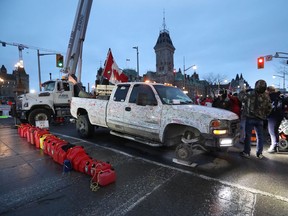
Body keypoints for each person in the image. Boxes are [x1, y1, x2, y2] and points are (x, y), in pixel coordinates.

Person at [239, 79, 272, 159]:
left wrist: (244, 90)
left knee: (248, 136)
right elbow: (269, 108)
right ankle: (259, 153)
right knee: (260, 136)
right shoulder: (266, 96)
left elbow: (241, 98)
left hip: (250, 117)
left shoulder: (250, 94)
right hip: (260, 119)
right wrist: (264, 115)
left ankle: (247, 152)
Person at [266, 86, 288, 153]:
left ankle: (273, 146)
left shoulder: (270, 96)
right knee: (275, 131)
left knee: (272, 131)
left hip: (273, 116)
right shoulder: (280, 96)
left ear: (269, 91)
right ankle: (276, 145)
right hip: (280, 115)